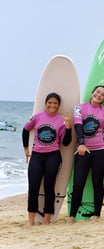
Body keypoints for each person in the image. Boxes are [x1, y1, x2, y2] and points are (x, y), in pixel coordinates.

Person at [70, 85, 104, 223]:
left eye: (102, 94)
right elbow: (78, 125)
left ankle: (97, 214)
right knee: (78, 183)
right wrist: (81, 144)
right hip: (82, 151)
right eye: (97, 92)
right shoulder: (79, 108)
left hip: (100, 151)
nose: (99, 95)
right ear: (92, 92)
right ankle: (72, 216)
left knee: (97, 183)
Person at [22, 93, 72, 225]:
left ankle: (46, 220)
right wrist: (26, 148)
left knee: (49, 187)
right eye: (50, 102)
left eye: (55, 103)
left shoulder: (61, 120)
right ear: (45, 103)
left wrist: (68, 127)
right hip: (37, 156)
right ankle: (31, 220)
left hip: (53, 156)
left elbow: (66, 143)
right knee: (33, 187)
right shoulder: (37, 117)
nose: (52, 105)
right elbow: (26, 129)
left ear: (58, 105)